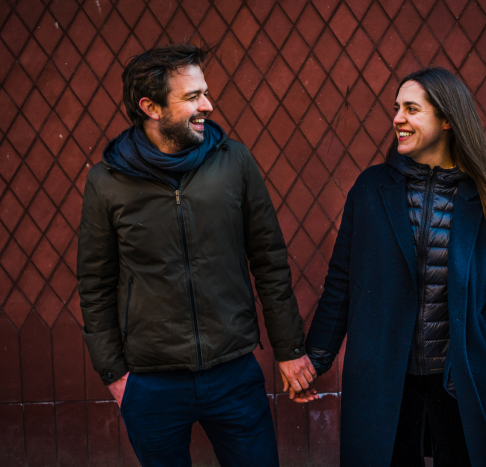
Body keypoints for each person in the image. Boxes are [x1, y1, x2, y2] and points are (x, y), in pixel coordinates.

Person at [77, 43, 316, 467]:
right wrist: (114, 375)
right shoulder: (106, 182)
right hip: (151, 384)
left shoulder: (234, 161)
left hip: (233, 374)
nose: (207, 104)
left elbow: (269, 261)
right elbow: (94, 284)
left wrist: (289, 348)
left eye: (204, 92)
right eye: (192, 97)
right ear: (150, 107)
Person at [295, 67, 486, 466]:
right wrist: (315, 360)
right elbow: (341, 282)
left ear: (447, 120)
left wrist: (485, 341)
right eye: (396, 108)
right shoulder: (371, 189)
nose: (397, 118)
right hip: (383, 381)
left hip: (457, 383)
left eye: (411, 109)